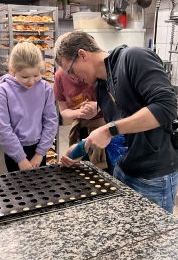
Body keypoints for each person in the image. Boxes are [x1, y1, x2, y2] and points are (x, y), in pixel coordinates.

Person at [55, 31, 178, 214]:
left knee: (153, 237)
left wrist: (108, 130)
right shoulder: (101, 86)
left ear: (82, 55)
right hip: (123, 169)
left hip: (152, 175)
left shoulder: (133, 57)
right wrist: (81, 148)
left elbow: (167, 107)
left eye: (71, 70)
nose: (73, 78)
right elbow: (120, 128)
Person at [0, 41, 58, 172]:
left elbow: (51, 122)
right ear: (13, 71)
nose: (31, 82)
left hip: (39, 150)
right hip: (14, 151)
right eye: (24, 76)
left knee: (41, 189)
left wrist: (40, 153)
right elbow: (3, 129)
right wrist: (20, 158)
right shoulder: (3, 91)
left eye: (36, 75)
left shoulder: (45, 88)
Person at [54, 67, 108, 170]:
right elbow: (63, 110)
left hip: (104, 128)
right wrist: (80, 113)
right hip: (80, 130)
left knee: (103, 171)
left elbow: (115, 100)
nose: (75, 78)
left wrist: (98, 106)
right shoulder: (60, 76)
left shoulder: (98, 70)